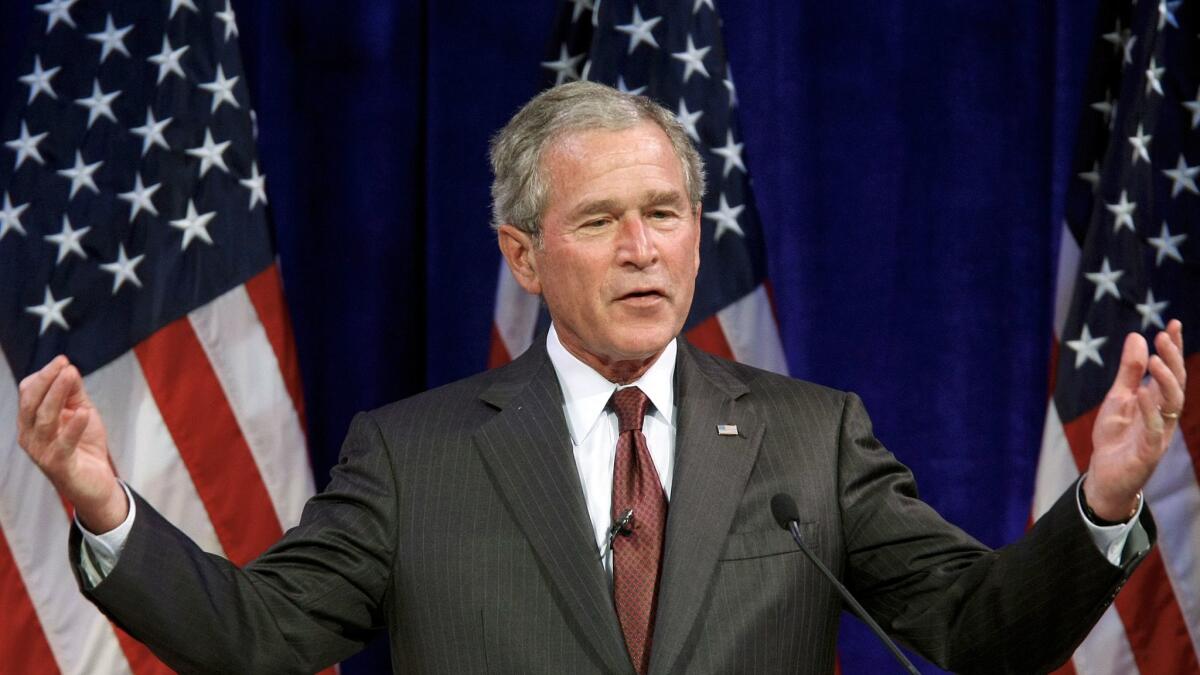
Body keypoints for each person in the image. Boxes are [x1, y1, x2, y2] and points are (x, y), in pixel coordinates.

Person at [17, 81, 1186, 674]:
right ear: (523, 255)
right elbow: (255, 636)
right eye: (601, 221)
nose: (643, 248)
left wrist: (1109, 498)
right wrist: (103, 505)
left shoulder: (810, 439)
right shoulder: (413, 456)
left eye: (666, 214)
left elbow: (982, 629)